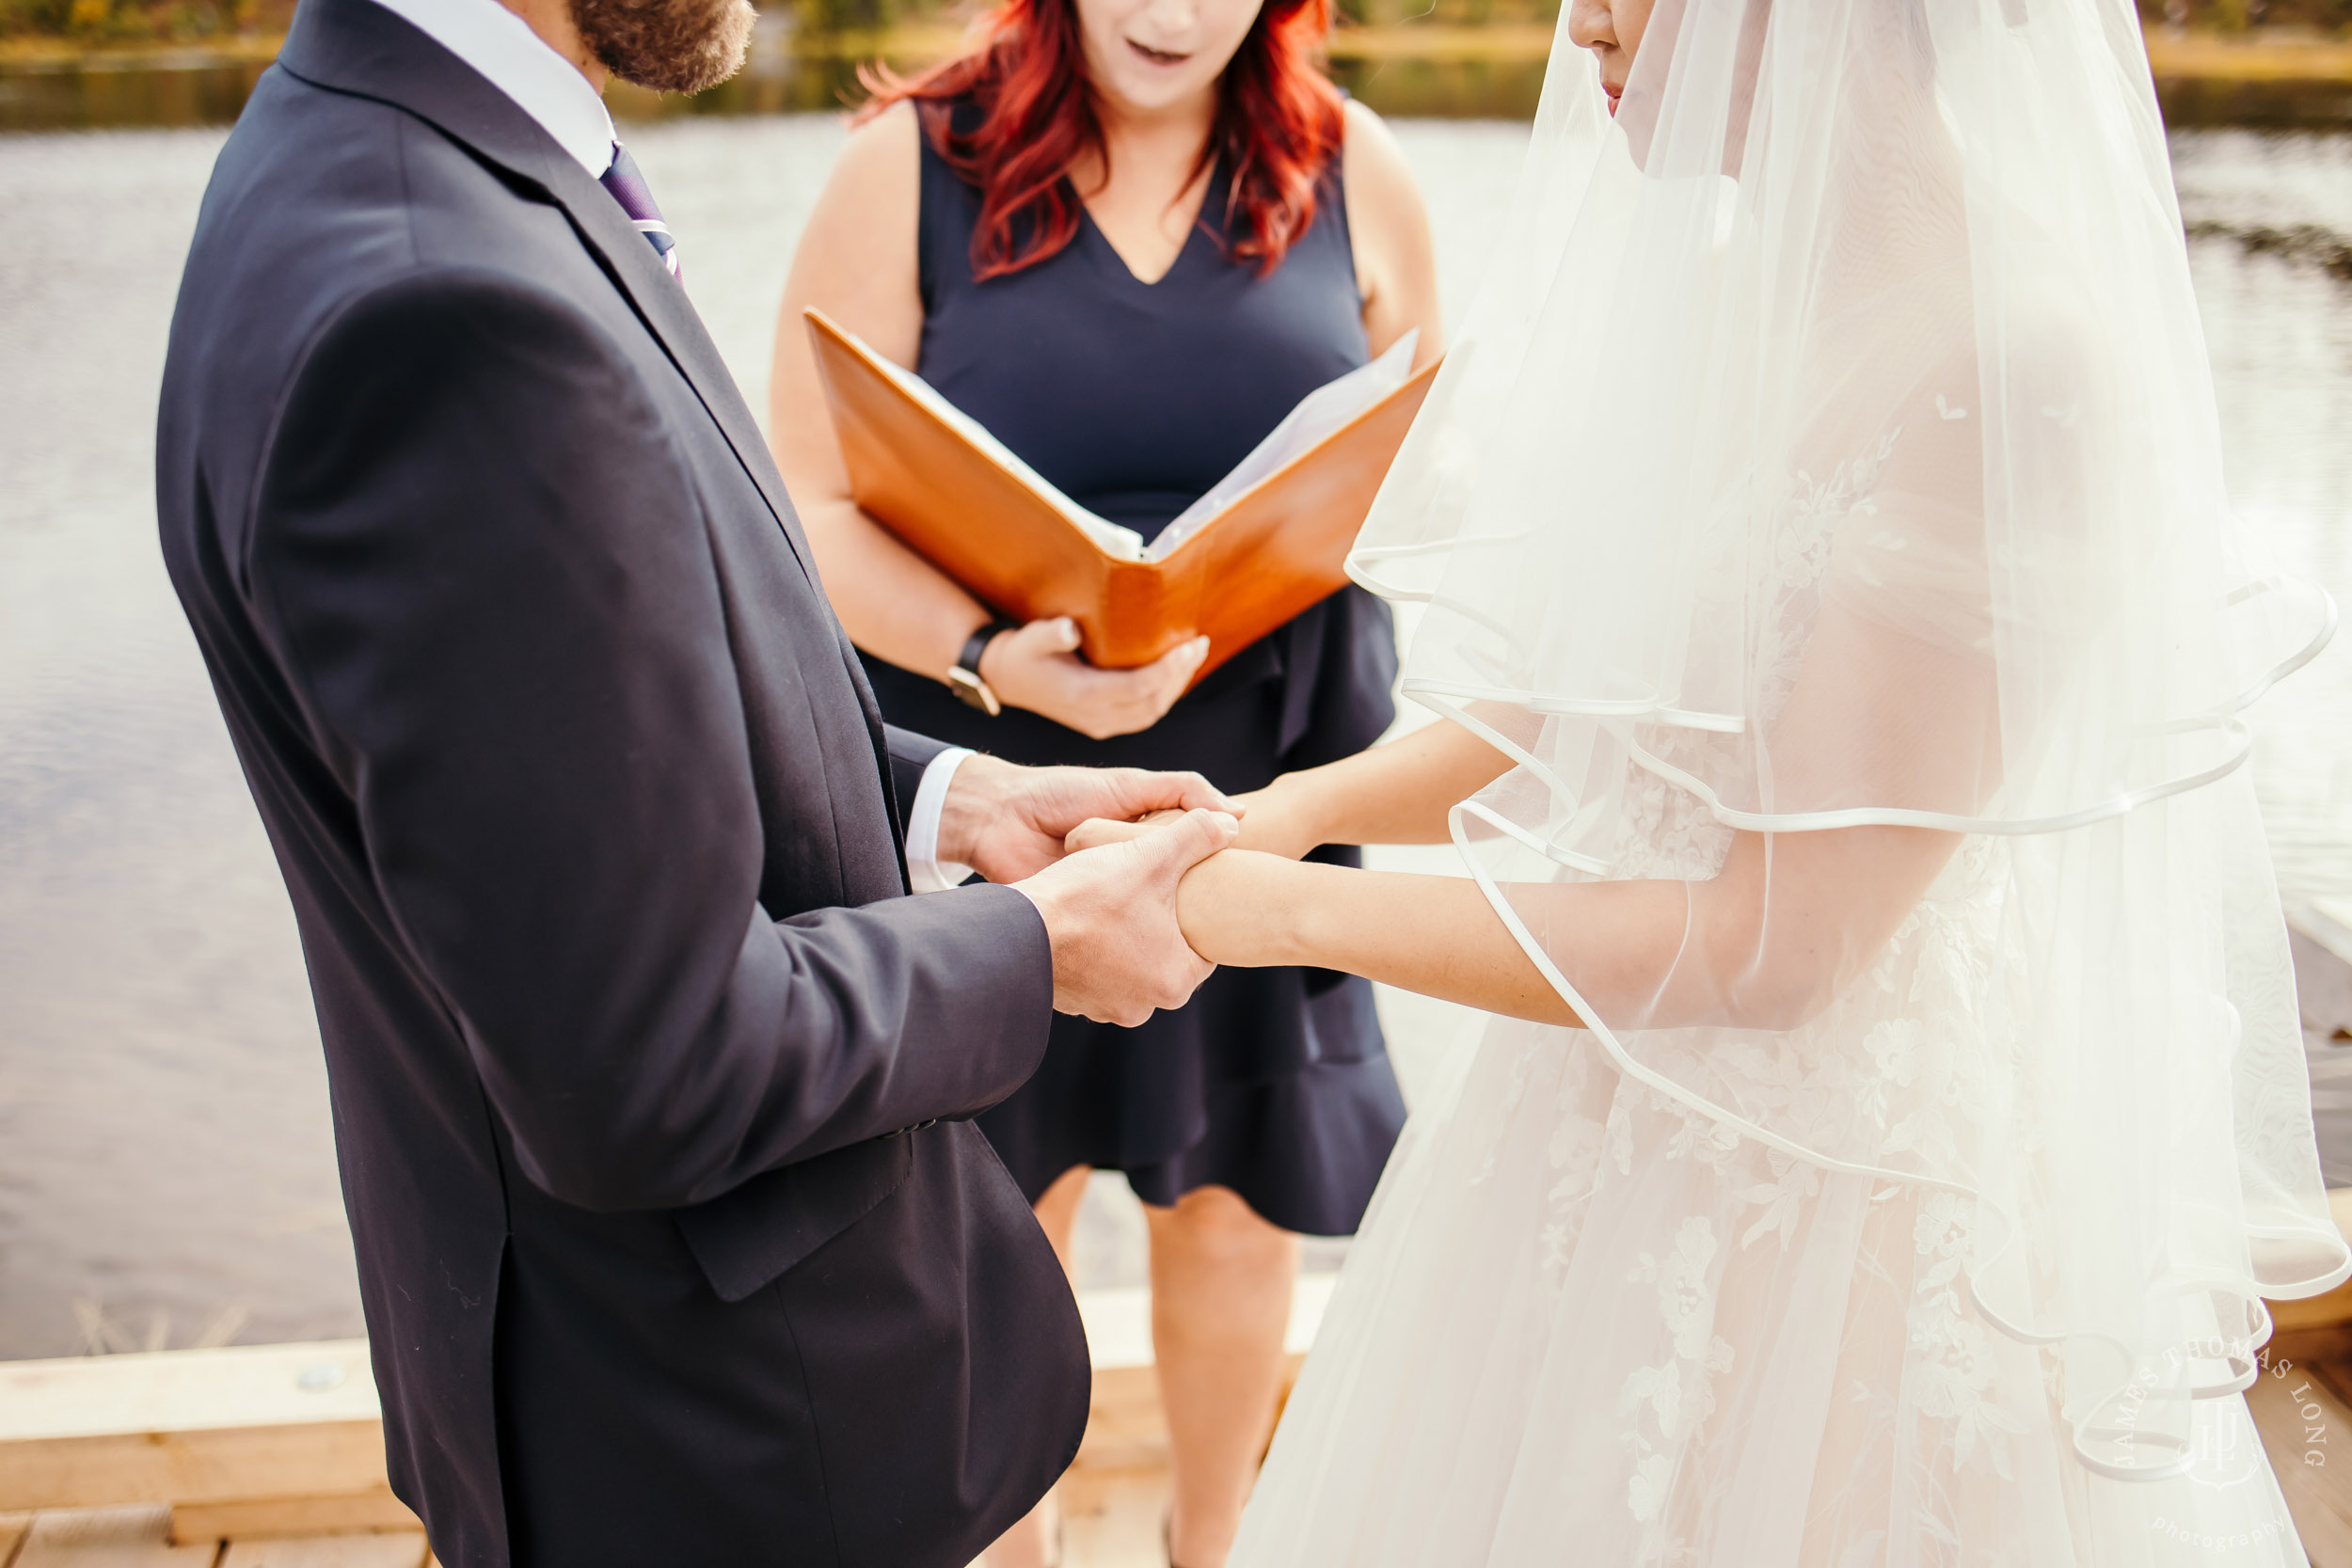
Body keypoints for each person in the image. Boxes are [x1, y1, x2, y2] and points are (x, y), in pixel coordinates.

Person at [1075, 0, 2352, 1557]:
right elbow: (1617, 704)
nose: (1584, 20)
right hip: (1608, 1129)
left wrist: (1261, 914)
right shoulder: (1769, 285)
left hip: (1848, 1210)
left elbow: (1781, 943)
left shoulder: (2014, 364)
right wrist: (1299, 809)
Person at [151, 0, 1245, 1558]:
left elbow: (598, 748)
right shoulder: (441, 307)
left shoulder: (367, 149)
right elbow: (654, 1069)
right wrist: (1044, 944)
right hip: (727, 1452)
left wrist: (956, 805)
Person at [767, 0, 1439, 1558]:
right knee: (994, 1226)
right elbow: (795, 498)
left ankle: (1214, 1548)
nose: (1170, 12)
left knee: (1232, 1210)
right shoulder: (909, 165)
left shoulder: (1357, 168)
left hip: (1259, 790)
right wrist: (995, 650)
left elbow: (1414, 463)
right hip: (986, 776)